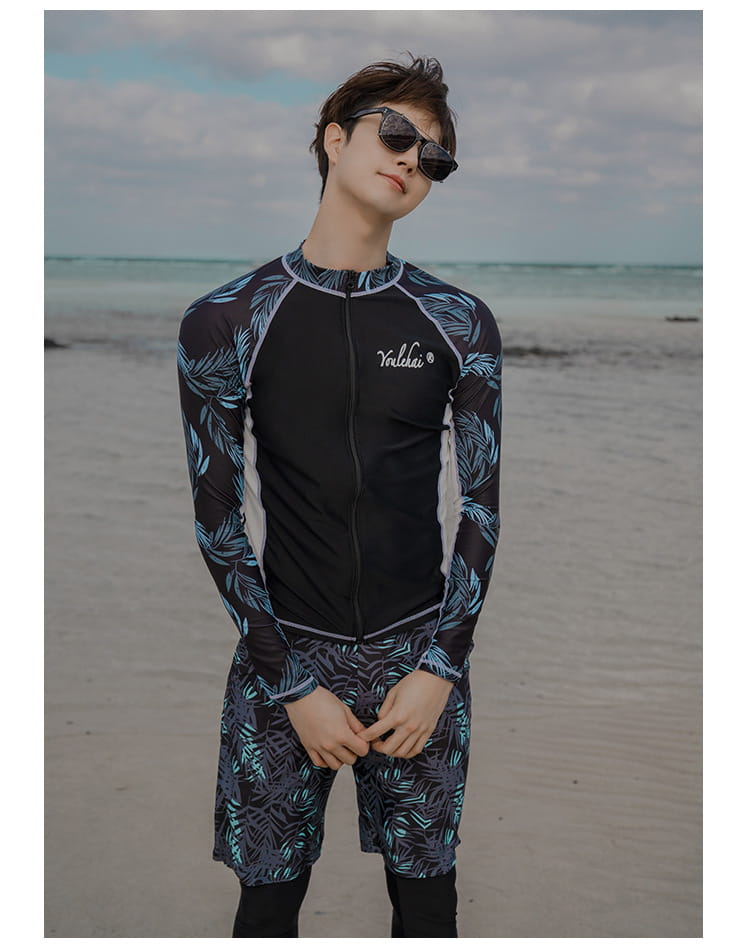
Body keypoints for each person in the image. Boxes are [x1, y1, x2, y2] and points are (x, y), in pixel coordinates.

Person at [177, 52, 502, 938]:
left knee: (428, 904)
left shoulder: (457, 321)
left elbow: (480, 509)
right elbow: (217, 516)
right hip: (285, 659)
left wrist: (440, 669)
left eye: (434, 155)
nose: (411, 159)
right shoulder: (227, 319)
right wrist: (293, 686)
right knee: (267, 905)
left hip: (419, 661)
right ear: (333, 138)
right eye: (396, 133)